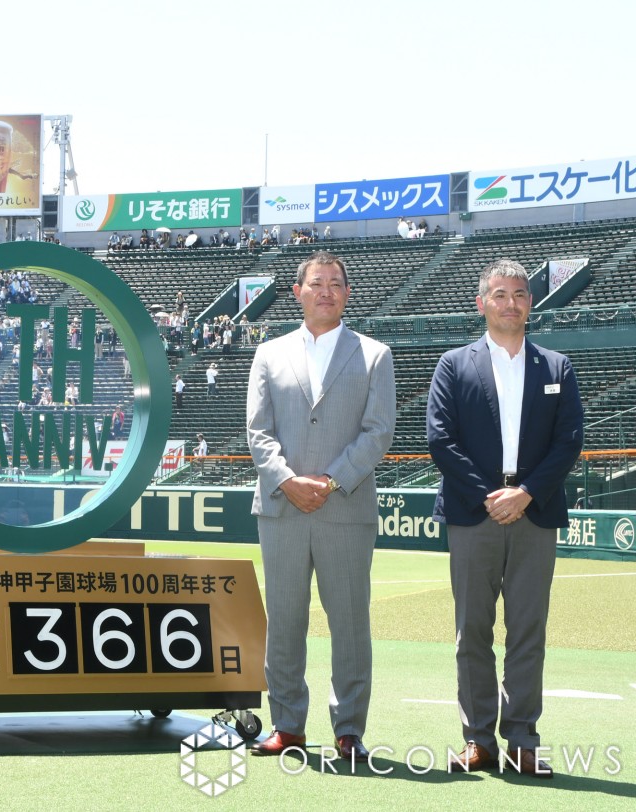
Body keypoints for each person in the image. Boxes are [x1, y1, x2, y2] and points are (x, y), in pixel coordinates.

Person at [426, 259, 583, 778]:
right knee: (472, 630)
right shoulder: (453, 364)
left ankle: (521, 740)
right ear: (481, 303)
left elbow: (569, 442)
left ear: (530, 303)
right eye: (499, 294)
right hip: (475, 513)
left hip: (535, 513)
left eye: (519, 293)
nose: (510, 302)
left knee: (527, 631)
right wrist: (494, 495)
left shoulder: (557, 367)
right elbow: (440, 440)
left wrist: (527, 494)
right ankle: (478, 741)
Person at [246, 250, 396, 761]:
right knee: (285, 620)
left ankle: (348, 728)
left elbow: (379, 434)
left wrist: (329, 482)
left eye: (335, 282)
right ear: (298, 291)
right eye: (316, 282)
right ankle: (287, 725)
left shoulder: (375, 354)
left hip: (345, 509)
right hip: (282, 508)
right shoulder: (269, 353)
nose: (326, 290)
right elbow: (258, 432)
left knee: (349, 621)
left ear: (347, 293)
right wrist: (288, 481)